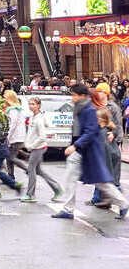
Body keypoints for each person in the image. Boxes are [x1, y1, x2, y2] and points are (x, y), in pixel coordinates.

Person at [52, 84, 129, 220]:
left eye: (74, 94)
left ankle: (123, 203)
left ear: (82, 96)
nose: (72, 97)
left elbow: (91, 131)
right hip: (82, 150)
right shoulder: (81, 108)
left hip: (89, 151)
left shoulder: (88, 110)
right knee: (74, 177)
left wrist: (75, 146)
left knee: (101, 182)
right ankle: (68, 209)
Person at [20, 97, 63, 203]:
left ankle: (30, 194)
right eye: (30, 104)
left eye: (33, 104)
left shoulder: (39, 119)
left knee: (31, 169)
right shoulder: (33, 117)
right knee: (38, 170)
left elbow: (42, 137)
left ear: (39, 105)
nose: (31, 106)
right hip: (36, 147)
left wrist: (31, 146)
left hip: (38, 148)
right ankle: (57, 188)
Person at [4, 89, 28, 178]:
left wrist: (8, 137)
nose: (4, 99)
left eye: (5, 98)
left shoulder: (13, 110)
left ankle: (26, 168)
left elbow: (12, 125)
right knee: (9, 157)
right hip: (18, 136)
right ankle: (10, 176)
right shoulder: (18, 109)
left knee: (11, 157)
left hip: (15, 137)